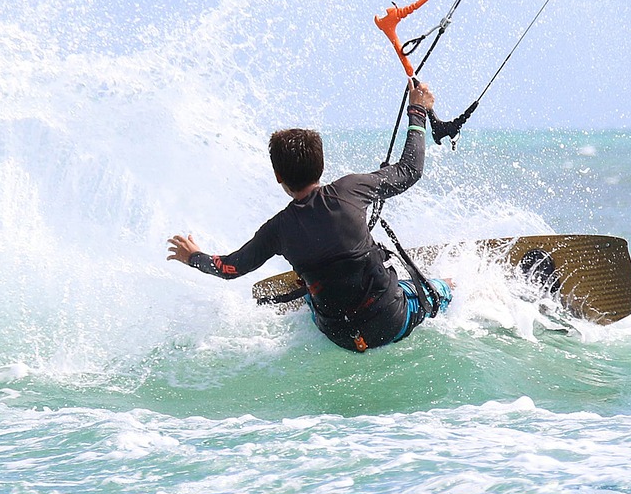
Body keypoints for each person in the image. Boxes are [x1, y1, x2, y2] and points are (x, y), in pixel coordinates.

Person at [166, 80, 452, 352]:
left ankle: (310, 292)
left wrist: (193, 256)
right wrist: (416, 110)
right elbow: (409, 170)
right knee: (443, 287)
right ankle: (452, 289)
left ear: (278, 177)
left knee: (312, 287)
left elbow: (230, 268)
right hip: (391, 322)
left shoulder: (277, 230)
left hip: (339, 337)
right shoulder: (351, 190)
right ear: (321, 164)